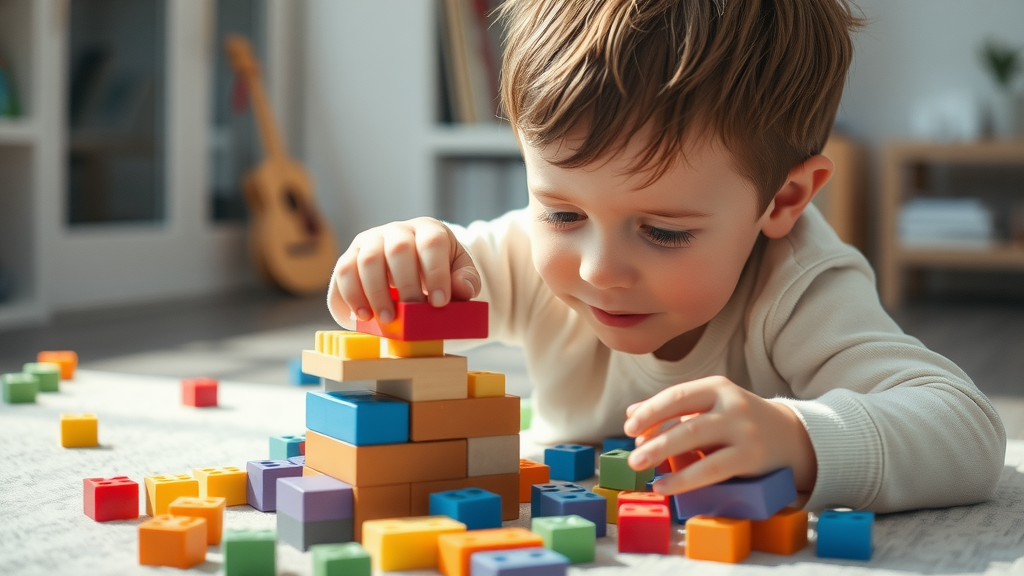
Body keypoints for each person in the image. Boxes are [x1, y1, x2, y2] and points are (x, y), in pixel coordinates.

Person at [326, 0, 1005, 513]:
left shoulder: (800, 287)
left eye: (663, 231)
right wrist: (390, 261)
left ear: (783, 199)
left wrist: (800, 436)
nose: (598, 269)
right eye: (563, 212)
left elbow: (969, 432)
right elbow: (410, 285)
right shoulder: (524, 253)